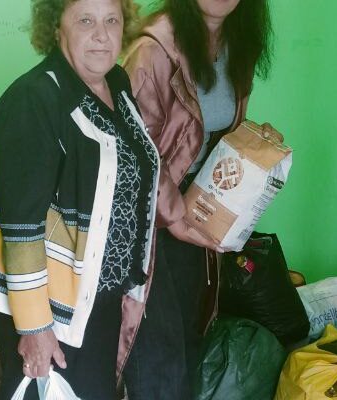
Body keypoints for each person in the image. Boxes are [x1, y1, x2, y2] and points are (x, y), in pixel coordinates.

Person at [0, 0, 159, 398]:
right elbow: (21, 228)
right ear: (57, 28)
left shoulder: (117, 83)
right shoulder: (33, 99)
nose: (101, 35)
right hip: (44, 305)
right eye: (86, 20)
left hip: (95, 296)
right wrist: (35, 328)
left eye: (111, 20)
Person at [121, 0, 278, 398]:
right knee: (159, 361)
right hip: (147, 222)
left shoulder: (237, 43)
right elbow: (132, 154)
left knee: (192, 344)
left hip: (197, 212)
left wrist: (254, 142)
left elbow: (214, 136)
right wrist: (175, 217)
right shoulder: (153, 50)